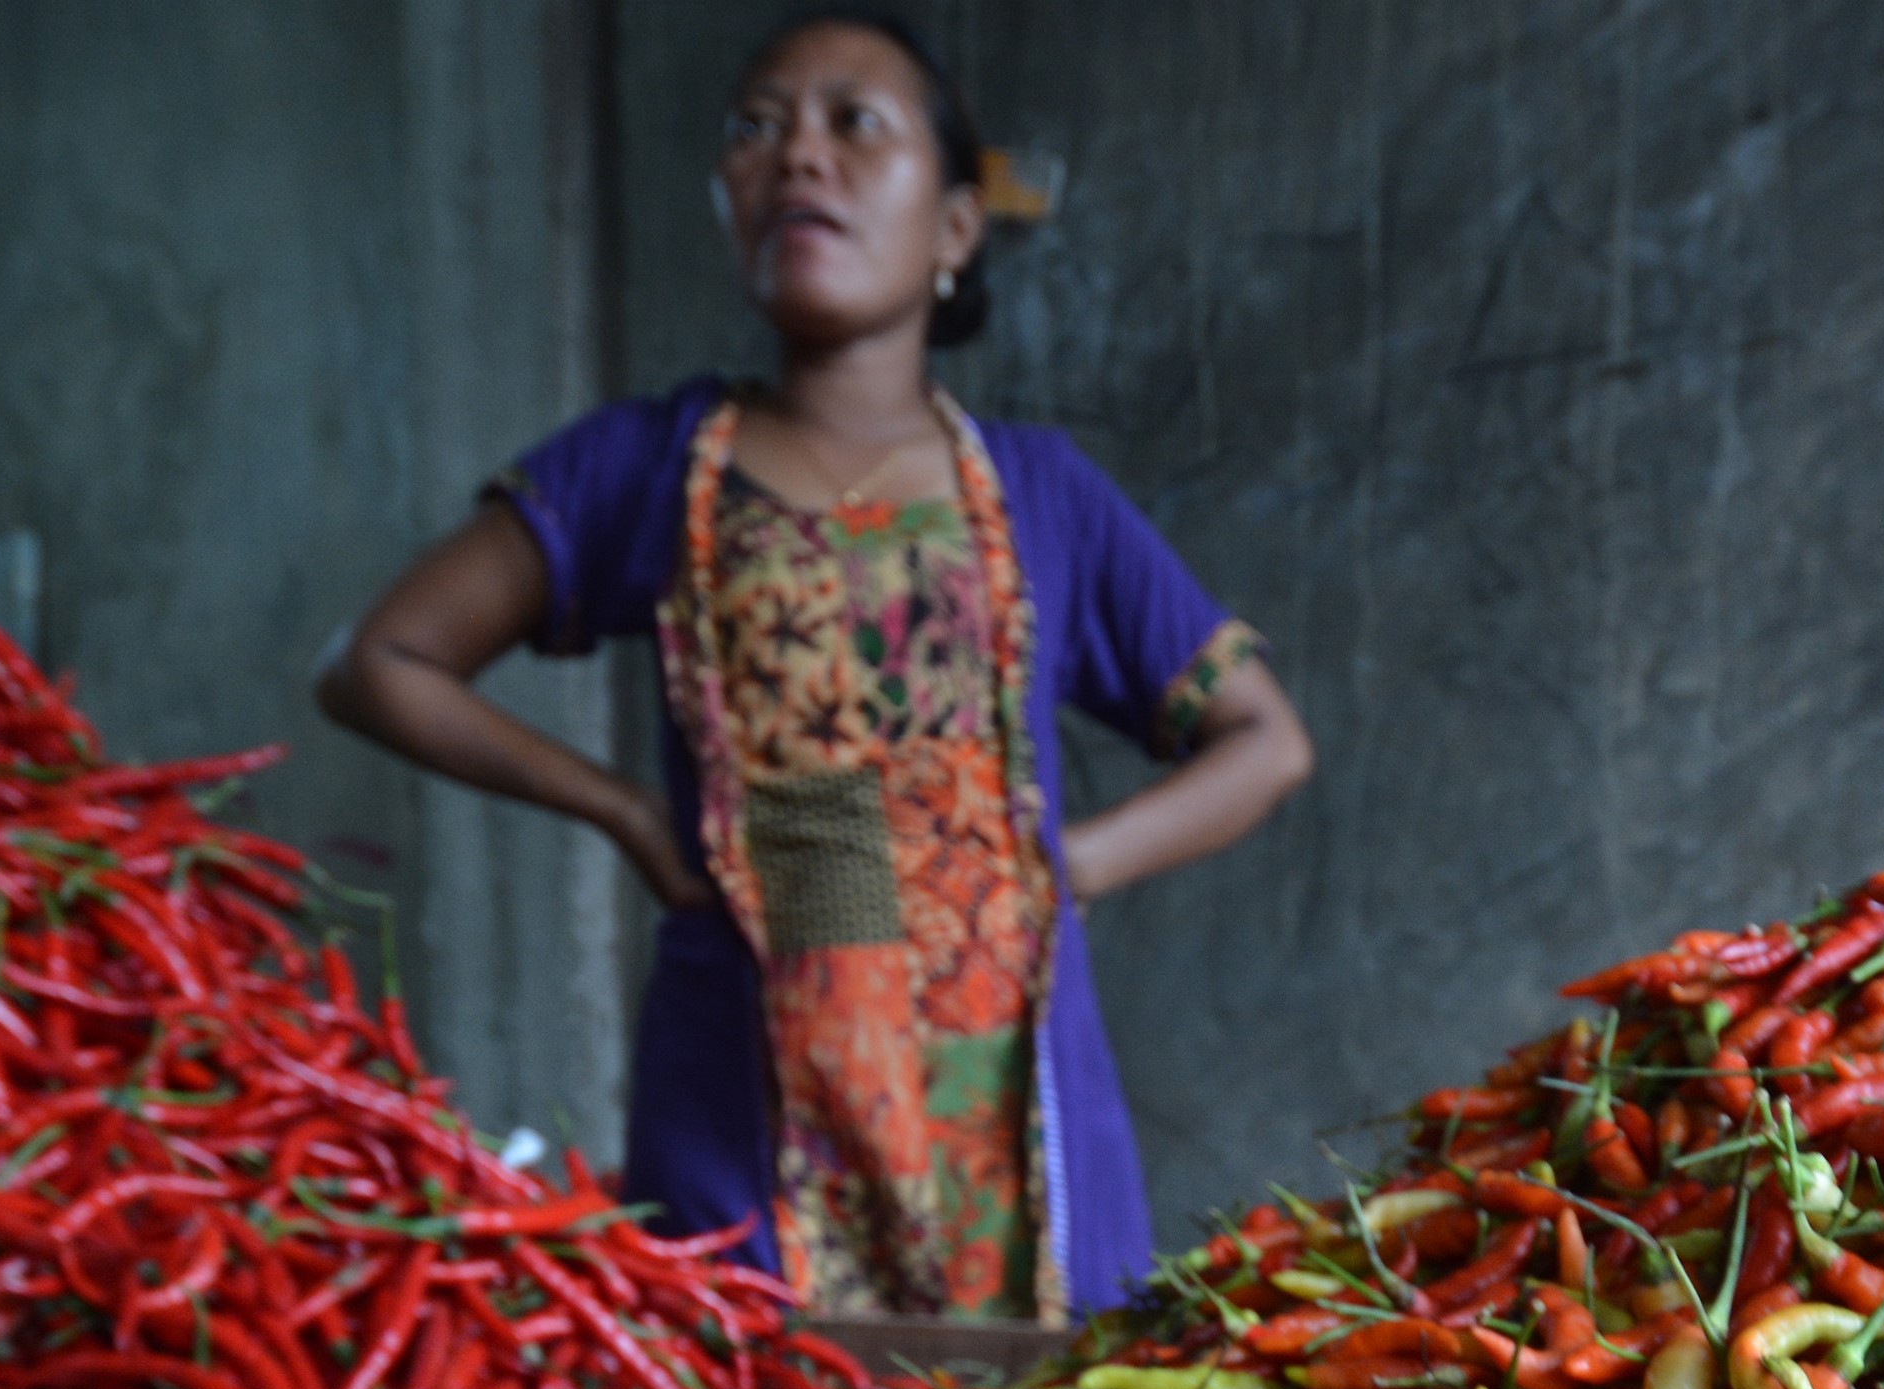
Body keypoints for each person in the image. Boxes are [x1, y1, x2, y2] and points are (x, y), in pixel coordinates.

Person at [317, 9, 1310, 1320]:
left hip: (1008, 1097)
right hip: (749, 1100)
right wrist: (622, 812)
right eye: (757, 127)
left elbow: (1265, 738)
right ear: (726, 202)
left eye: (856, 123)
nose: (799, 156)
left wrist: (1064, 866)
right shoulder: (655, 463)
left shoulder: (1040, 496)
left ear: (956, 228)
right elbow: (380, 659)